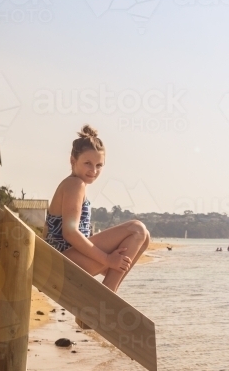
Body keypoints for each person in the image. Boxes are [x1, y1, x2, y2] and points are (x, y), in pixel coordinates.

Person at [45, 126, 150, 308]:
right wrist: (107, 260)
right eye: (88, 163)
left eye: (99, 165)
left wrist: (109, 260)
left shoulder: (78, 185)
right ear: (73, 160)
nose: (93, 170)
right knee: (137, 229)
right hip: (60, 264)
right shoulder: (74, 184)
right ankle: (104, 302)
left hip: (68, 261)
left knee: (145, 237)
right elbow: (70, 233)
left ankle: (106, 295)